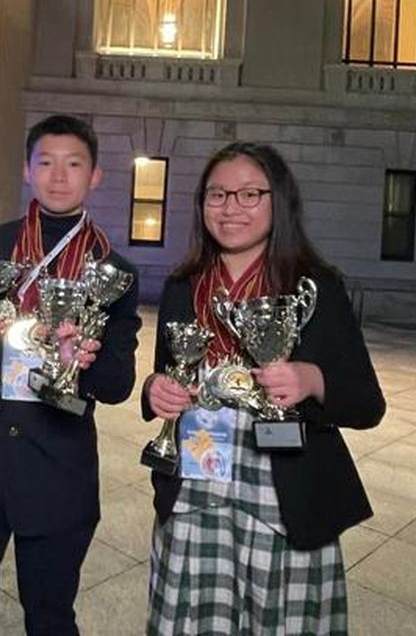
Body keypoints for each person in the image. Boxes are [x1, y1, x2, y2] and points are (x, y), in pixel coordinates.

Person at [142, 141, 385, 635]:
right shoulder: (183, 286)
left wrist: (311, 378)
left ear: (280, 201)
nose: (231, 208)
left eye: (250, 194)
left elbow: (366, 403)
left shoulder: (315, 287)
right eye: (217, 195)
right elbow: (167, 374)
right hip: (195, 496)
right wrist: (155, 391)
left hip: (286, 498)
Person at [0, 114, 142, 635]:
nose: (58, 176)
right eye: (46, 162)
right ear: (27, 171)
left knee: (51, 617)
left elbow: (118, 383)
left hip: (57, 470)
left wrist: (82, 362)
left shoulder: (114, 271)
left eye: (73, 164)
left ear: (95, 177)